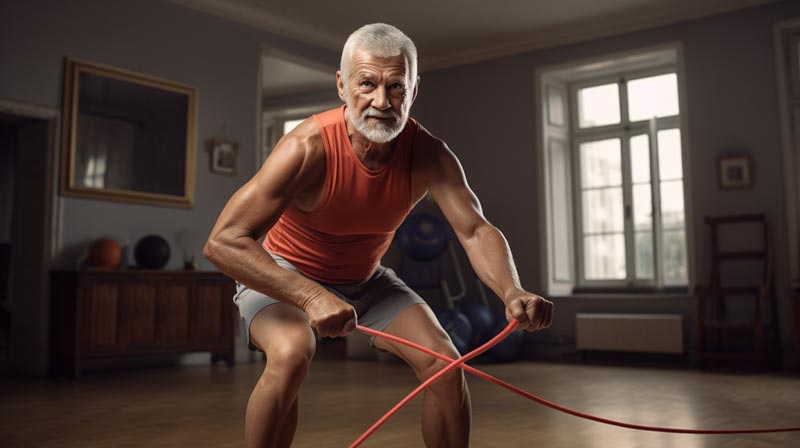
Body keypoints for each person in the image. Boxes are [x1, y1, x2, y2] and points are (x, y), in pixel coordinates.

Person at [204, 23, 554, 448]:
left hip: (365, 280)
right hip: (284, 273)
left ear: (414, 90)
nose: (380, 102)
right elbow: (223, 242)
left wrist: (510, 289)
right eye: (366, 84)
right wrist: (311, 296)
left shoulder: (429, 154)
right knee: (292, 353)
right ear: (342, 85)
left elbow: (476, 230)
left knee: (446, 364)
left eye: (396, 87)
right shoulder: (306, 148)